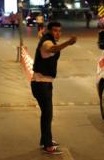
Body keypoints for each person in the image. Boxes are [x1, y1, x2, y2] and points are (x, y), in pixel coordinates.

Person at [31, 21, 77, 155]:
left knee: (46, 114)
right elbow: (52, 49)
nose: (58, 33)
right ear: (50, 31)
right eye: (55, 30)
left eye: (59, 31)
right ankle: (47, 145)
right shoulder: (47, 43)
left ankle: (45, 140)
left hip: (43, 83)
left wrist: (42, 33)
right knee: (47, 114)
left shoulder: (47, 39)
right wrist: (68, 43)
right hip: (41, 84)